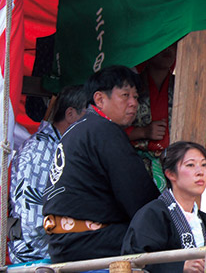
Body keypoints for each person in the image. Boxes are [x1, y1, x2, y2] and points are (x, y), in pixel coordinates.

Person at [43, 65, 160, 262]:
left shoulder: (77, 130)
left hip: (63, 241)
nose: (133, 103)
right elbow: (137, 195)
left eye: (136, 97)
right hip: (90, 240)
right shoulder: (103, 130)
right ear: (99, 99)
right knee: (162, 236)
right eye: (125, 95)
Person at [8, 85, 87, 263]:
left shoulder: (55, 145)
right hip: (36, 256)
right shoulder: (41, 150)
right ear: (71, 115)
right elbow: (33, 225)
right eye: (89, 118)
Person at [127, 44, 206, 190]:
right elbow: (110, 130)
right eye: (163, 44)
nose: (168, 50)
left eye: (173, 46)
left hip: (174, 172)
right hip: (133, 169)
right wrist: (143, 132)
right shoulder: (129, 88)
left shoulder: (188, 89)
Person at [122, 141, 206, 273]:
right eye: (190, 165)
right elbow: (133, 261)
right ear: (171, 174)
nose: (200, 172)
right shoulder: (153, 214)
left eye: (204, 165)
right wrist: (181, 267)